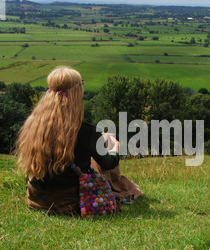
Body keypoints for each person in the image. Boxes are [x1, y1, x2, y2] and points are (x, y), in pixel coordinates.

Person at [15, 66, 143, 215]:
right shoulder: (86, 131)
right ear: (77, 92)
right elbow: (109, 163)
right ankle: (121, 187)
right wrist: (115, 147)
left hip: (37, 200)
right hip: (72, 203)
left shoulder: (33, 125)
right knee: (102, 154)